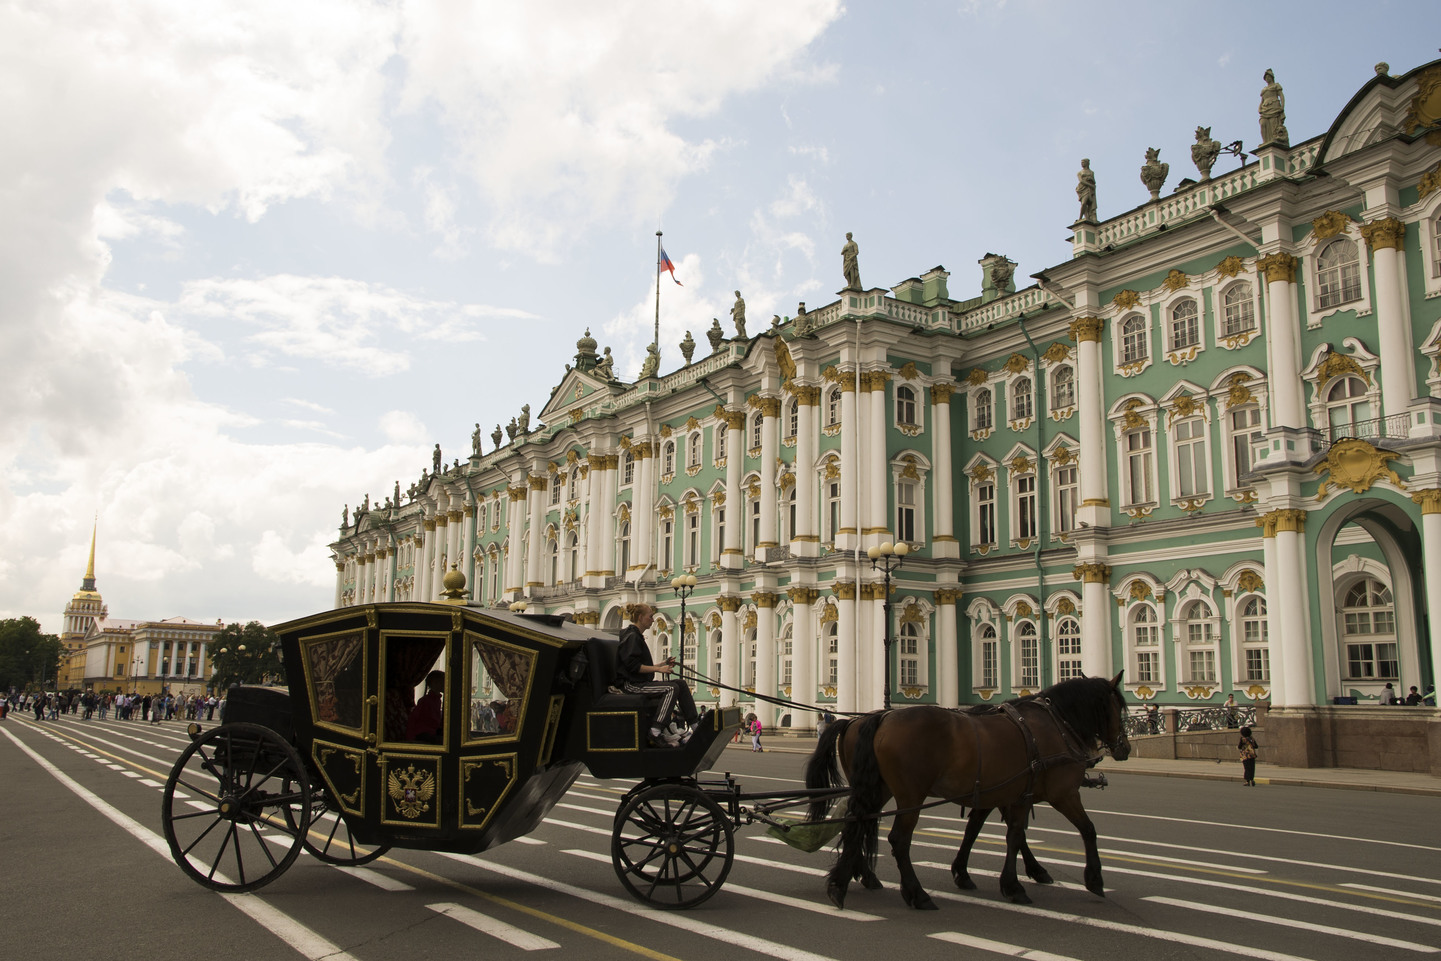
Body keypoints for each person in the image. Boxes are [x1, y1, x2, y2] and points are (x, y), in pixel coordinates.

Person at [616, 603, 699, 747]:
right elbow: (633, 667)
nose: (653, 619)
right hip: (631, 686)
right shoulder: (632, 637)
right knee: (671, 688)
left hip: (639, 683)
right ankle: (655, 730)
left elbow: (636, 665)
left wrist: (661, 664)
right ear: (641, 617)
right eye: (650, 616)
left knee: (680, 684)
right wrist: (658, 670)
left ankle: (695, 726)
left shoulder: (636, 636)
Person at [405, 670, 446, 743]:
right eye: (443, 682)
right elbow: (413, 718)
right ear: (434, 683)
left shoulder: (437, 700)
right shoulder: (424, 701)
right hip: (423, 734)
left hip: (431, 732)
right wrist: (410, 738)